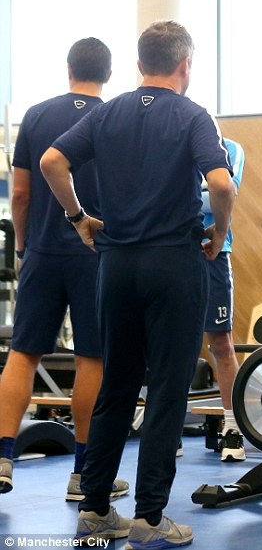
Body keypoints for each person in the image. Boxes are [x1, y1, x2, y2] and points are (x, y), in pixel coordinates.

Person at [41, 21, 235, 548]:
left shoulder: (108, 113)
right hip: (173, 266)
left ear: (139, 64)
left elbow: (52, 161)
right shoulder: (193, 115)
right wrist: (219, 231)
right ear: (185, 65)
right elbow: (221, 183)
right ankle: (149, 519)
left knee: (118, 386)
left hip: (116, 266)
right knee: (168, 389)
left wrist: (78, 217)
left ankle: (95, 510)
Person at [0, 38, 129, 502]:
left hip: (42, 252)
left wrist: (22, 247)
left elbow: (19, 194)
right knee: (91, 359)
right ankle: (84, 475)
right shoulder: (116, 118)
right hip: (97, 255)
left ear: (69, 69)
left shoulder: (36, 115)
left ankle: (2, 457)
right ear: (108, 75)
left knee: (23, 354)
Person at [201, 137, 246, 462]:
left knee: (221, 343)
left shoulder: (230, 149)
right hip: (170, 251)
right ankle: (168, 429)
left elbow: (221, 195)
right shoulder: (169, 141)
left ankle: (233, 428)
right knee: (168, 343)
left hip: (214, 253)